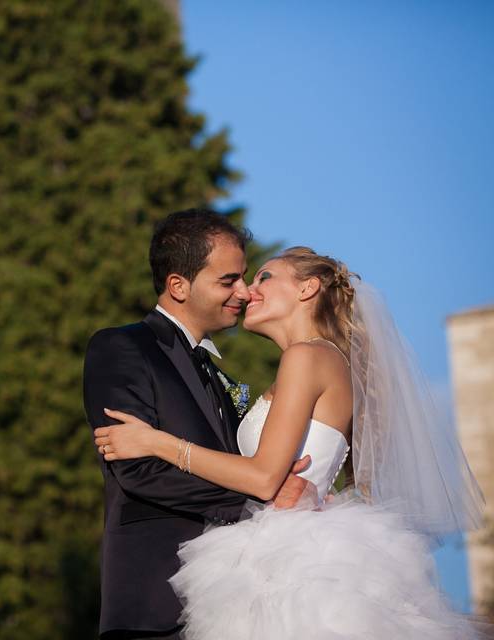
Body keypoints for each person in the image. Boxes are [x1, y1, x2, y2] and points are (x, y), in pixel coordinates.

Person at [93, 245, 485, 639]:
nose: (248, 291)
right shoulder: (321, 361)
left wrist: (157, 441)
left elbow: (263, 478)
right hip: (293, 542)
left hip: (293, 564)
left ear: (307, 288)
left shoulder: (306, 357)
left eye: (264, 277)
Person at [82, 210, 314, 639]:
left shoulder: (219, 374)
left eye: (243, 278)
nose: (244, 293)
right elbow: (138, 471)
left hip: (231, 606)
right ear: (178, 286)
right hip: (156, 603)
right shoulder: (122, 347)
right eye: (229, 281)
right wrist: (260, 493)